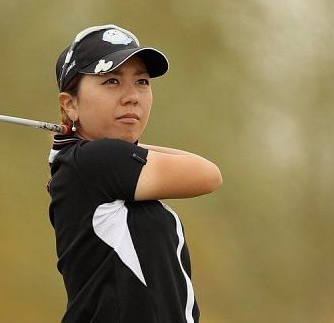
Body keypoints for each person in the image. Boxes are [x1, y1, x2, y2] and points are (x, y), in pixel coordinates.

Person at [47, 24, 222, 323]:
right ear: (70, 104)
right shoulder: (96, 162)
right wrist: (101, 144)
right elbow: (208, 174)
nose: (132, 96)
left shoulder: (90, 163)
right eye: (111, 81)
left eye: (141, 81)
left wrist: (91, 140)